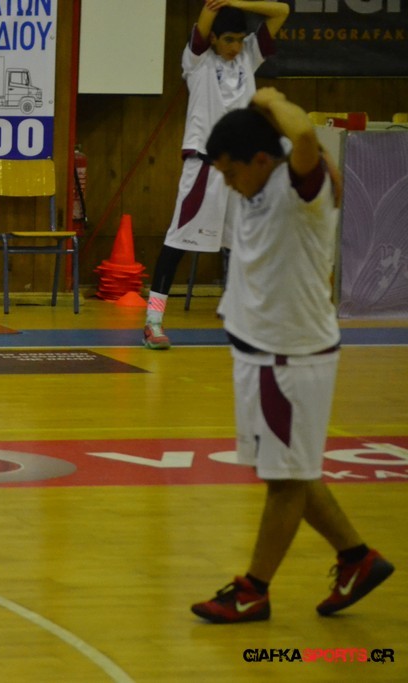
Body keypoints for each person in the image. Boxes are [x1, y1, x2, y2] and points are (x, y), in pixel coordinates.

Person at [190, 88, 394, 623]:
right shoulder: (262, 176)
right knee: (287, 470)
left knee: (284, 481)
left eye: (230, 172)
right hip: (262, 355)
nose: (227, 182)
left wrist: (268, 95)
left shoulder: (303, 185)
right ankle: (356, 557)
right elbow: (284, 137)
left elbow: (302, 132)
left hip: (287, 358)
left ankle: (254, 590)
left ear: (261, 160)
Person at [144, 0, 289, 350]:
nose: (235, 46)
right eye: (228, 40)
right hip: (204, 169)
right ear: (212, 39)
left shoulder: (249, 56)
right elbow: (209, 12)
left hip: (243, 173)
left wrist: (237, 3)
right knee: (177, 243)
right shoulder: (196, 60)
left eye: (239, 39)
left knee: (250, 244)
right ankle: (153, 321)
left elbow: (281, 10)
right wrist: (220, 5)